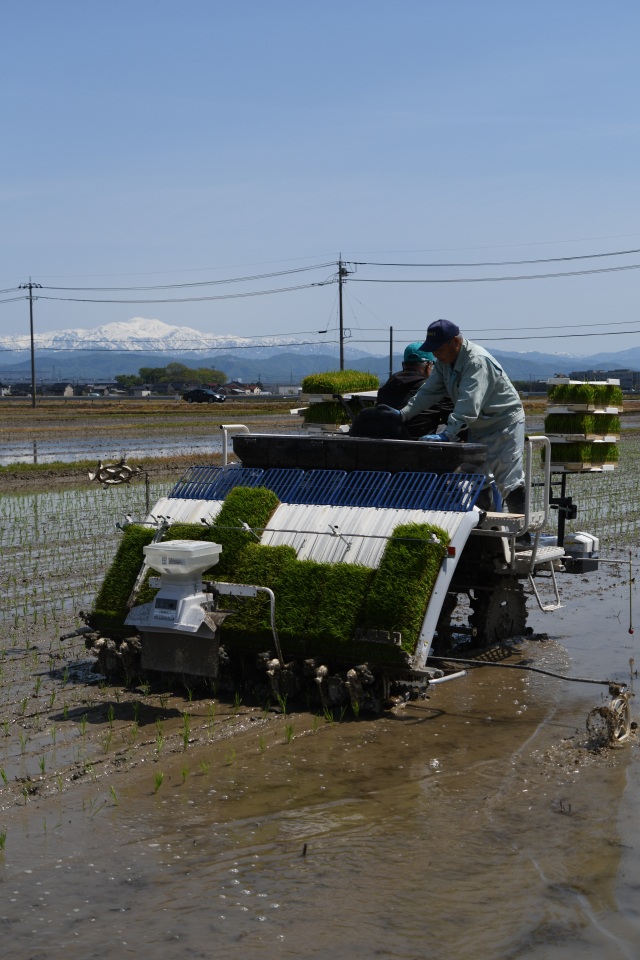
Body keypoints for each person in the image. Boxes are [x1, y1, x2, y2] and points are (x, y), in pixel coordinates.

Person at [395, 319, 526, 510]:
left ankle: (522, 535)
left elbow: (469, 403)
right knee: (475, 476)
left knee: (508, 479)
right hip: (478, 425)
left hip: (502, 423)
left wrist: (448, 434)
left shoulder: (476, 362)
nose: (435, 354)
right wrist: (403, 414)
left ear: (455, 341)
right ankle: (484, 528)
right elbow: (428, 391)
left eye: (438, 349)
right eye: (432, 350)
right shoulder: (444, 362)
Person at [376, 341, 454, 439]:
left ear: (404, 364)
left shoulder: (385, 389)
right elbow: (454, 421)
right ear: (428, 366)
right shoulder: (436, 390)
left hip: (387, 447)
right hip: (421, 449)